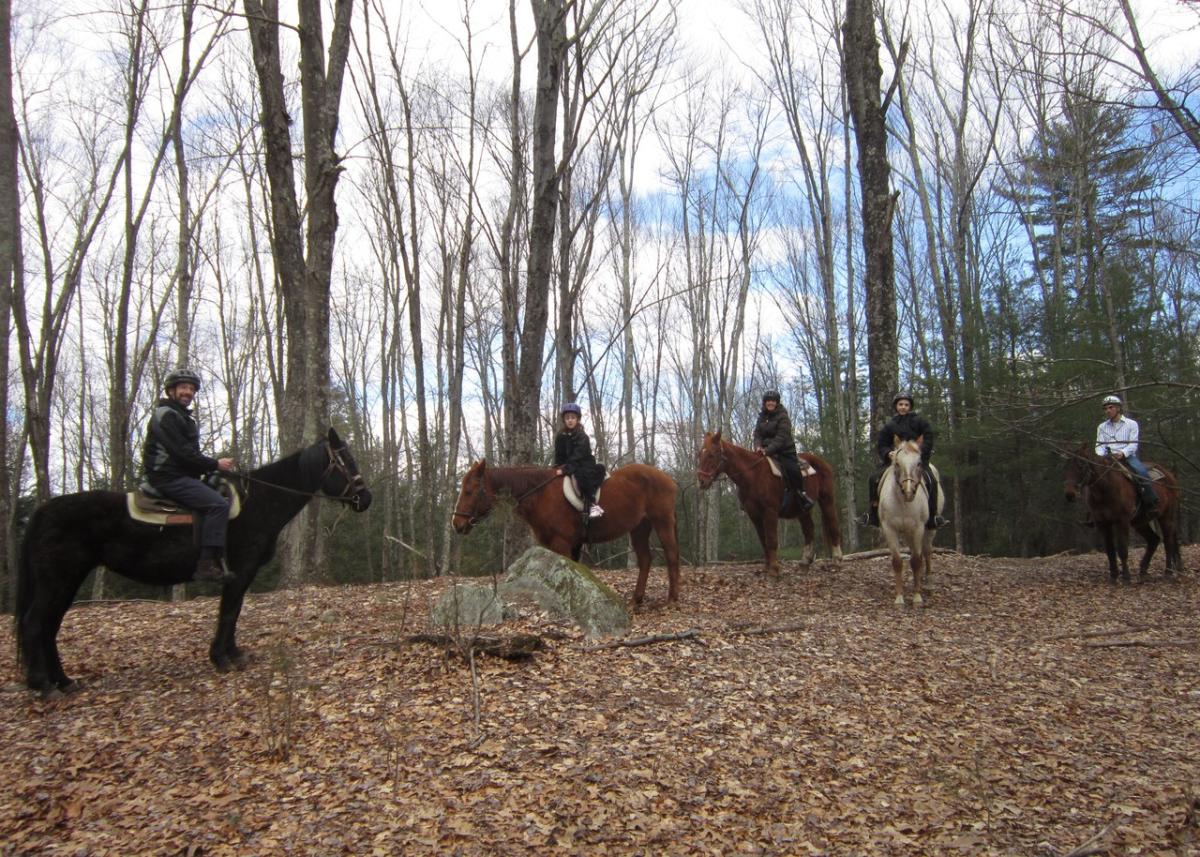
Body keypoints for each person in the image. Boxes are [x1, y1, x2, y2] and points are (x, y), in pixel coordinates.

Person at [142, 369, 237, 582]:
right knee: (218, 505)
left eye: (192, 389)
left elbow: (188, 456)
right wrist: (215, 463)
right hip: (168, 477)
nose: (188, 392)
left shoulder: (182, 417)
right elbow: (182, 453)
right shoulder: (165, 415)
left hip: (180, 475)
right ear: (171, 390)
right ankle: (206, 564)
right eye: (184, 387)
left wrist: (210, 469)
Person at [860, 391, 948, 530]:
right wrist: (888, 453)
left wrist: (919, 452)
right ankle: (873, 514)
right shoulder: (890, 425)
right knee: (873, 478)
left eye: (906, 404)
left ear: (910, 406)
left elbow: (929, 438)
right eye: (900, 404)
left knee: (930, 479)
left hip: (917, 462)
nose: (903, 407)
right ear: (896, 406)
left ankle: (933, 515)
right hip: (895, 463)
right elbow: (882, 444)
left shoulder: (920, 422)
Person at [752, 390, 813, 514]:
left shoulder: (783, 416)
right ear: (765, 403)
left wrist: (767, 451)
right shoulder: (761, 417)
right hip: (764, 451)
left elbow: (781, 438)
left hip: (784, 451)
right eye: (768, 401)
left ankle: (802, 495)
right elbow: (757, 434)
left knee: (793, 469)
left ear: (777, 402)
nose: (770, 403)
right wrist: (758, 446)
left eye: (773, 401)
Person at [1095, 394, 1158, 514]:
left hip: (1127, 457)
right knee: (1093, 478)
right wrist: (1102, 456)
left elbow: (1133, 444)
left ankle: (1151, 502)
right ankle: (1093, 512)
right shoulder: (1101, 427)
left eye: (1110, 407)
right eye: (1105, 408)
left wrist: (1122, 453)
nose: (1107, 411)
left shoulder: (1131, 424)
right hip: (1107, 459)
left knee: (1142, 473)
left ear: (1118, 408)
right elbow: (1099, 445)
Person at [554, 403, 607, 520]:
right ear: (564, 420)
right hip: (568, 465)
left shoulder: (582, 437)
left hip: (583, 463)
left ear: (577, 419)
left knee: (581, 475)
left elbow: (577, 457)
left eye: (573, 417)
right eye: (567, 418)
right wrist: (557, 467)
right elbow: (559, 456)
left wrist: (564, 470)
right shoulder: (560, 437)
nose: (570, 420)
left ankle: (593, 504)